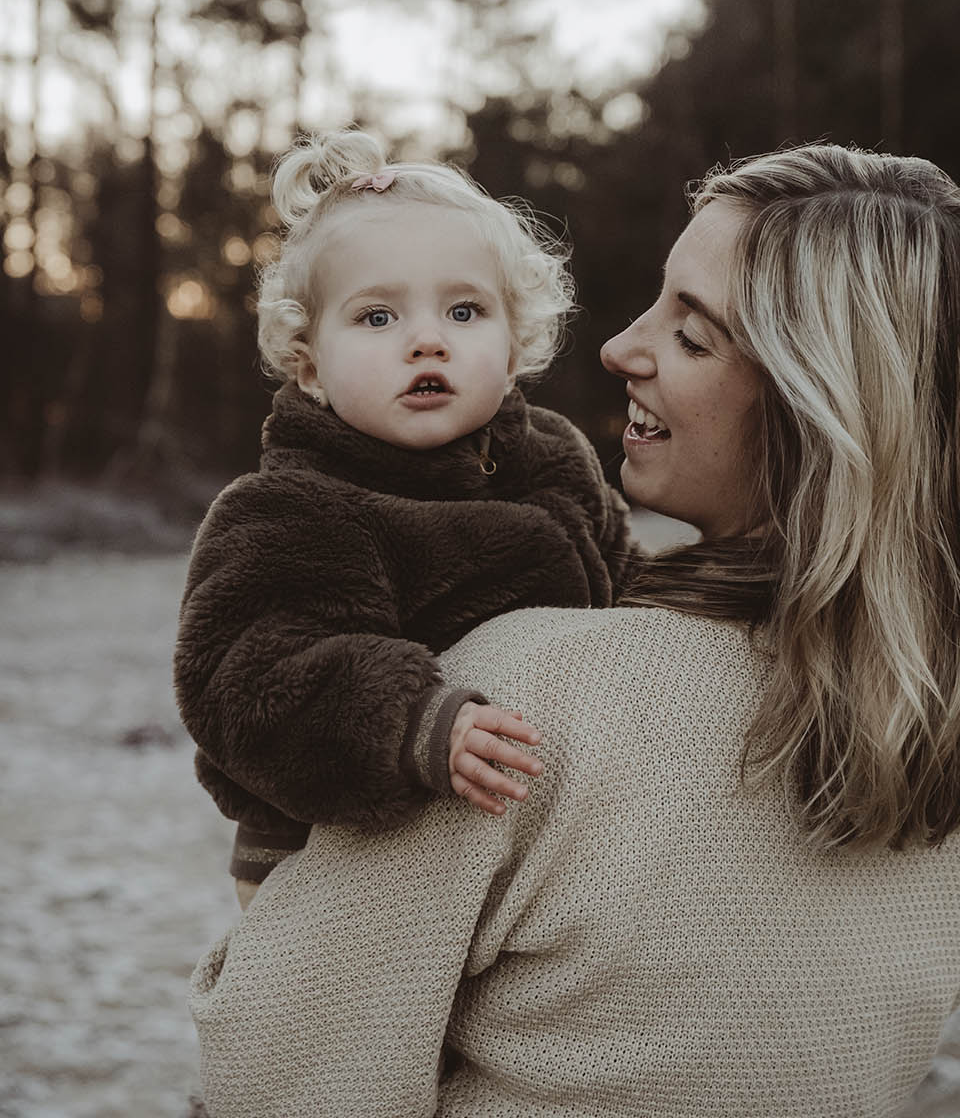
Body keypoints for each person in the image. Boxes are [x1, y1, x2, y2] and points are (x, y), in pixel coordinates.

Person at [188, 143, 960, 1118]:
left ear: (813, 404)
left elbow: (273, 1073)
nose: (618, 349)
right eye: (379, 315)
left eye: (691, 335)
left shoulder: (525, 694)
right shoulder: (928, 713)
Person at [174, 129, 632, 906]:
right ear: (308, 362)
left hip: (534, 827)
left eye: (463, 310)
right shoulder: (292, 508)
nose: (427, 340)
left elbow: (630, 582)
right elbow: (245, 680)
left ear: (515, 336)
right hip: (330, 855)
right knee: (348, 1027)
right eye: (377, 318)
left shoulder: (555, 458)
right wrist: (417, 721)